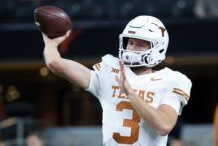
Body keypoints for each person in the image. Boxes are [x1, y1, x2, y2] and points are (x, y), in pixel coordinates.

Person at [42, 15, 192, 146]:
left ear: (158, 48)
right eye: (130, 42)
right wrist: (51, 44)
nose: (132, 48)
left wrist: (131, 94)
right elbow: (55, 64)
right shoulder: (110, 72)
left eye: (140, 44)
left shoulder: (170, 80)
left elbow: (164, 125)